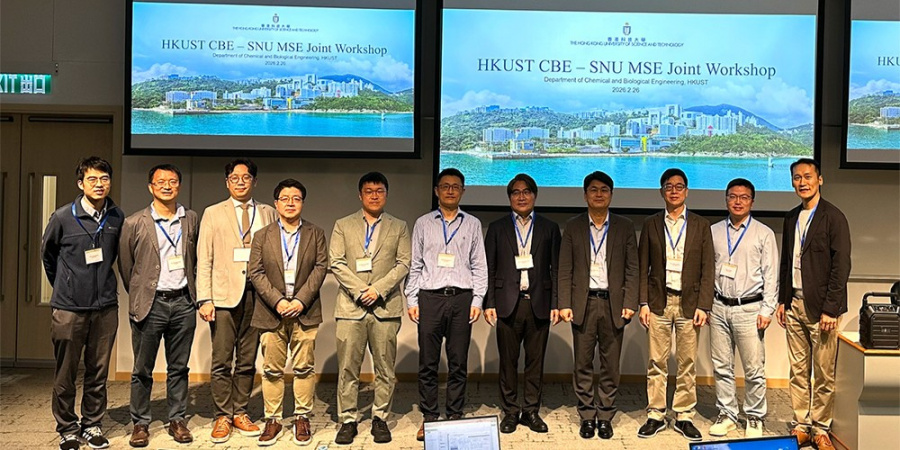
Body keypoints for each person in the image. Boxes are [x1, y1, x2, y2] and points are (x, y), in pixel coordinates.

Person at [41, 156, 124, 450]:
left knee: (98, 371)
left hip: (105, 309)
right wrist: (66, 286)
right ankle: (67, 428)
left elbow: (115, 257)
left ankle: (92, 424)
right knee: (66, 371)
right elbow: (48, 257)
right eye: (92, 179)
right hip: (69, 309)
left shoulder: (116, 216)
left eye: (104, 179)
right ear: (81, 183)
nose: (99, 184)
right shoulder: (63, 217)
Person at [197, 158, 277, 443]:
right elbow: (204, 259)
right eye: (234, 177)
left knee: (247, 359)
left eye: (246, 177)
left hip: (259, 295)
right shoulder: (213, 213)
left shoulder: (268, 212)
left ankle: (240, 411)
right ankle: (222, 415)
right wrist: (204, 298)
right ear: (226, 182)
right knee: (221, 360)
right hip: (222, 296)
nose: (240, 181)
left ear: (254, 181)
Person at [119, 164, 199, 447]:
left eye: (173, 181)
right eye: (160, 181)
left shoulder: (191, 218)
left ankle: (177, 419)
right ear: (150, 186)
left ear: (179, 185)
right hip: (150, 304)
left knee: (179, 367)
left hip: (183, 303)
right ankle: (140, 423)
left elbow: (195, 260)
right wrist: (142, 294)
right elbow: (126, 267)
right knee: (143, 369)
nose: (167, 185)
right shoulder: (134, 222)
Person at [406, 168, 488, 441]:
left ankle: (454, 416)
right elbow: (415, 264)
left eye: (456, 186)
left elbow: (479, 266)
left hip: (462, 299)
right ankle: (429, 417)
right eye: (445, 186)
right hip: (429, 298)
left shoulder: (473, 224)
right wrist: (411, 298)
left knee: (458, 362)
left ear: (463, 191)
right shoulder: (423, 223)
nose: (450, 190)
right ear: (437, 191)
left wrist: (477, 299)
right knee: (428, 363)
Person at [330, 172, 411, 445]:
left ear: (386, 194)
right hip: (350, 308)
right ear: (360, 195)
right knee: (347, 369)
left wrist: (378, 289)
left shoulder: (399, 226)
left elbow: (403, 264)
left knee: (385, 368)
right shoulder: (342, 224)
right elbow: (336, 262)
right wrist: (360, 291)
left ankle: (380, 418)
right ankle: (348, 419)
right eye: (369, 190)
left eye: (379, 190)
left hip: (385, 307)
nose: (374, 195)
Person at [775, 158, 850, 450]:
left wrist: (831, 308)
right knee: (797, 370)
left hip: (823, 309)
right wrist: (782, 300)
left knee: (823, 372)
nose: (802, 182)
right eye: (796, 178)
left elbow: (841, 266)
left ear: (820, 179)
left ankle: (820, 428)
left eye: (807, 176)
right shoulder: (791, 216)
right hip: (793, 303)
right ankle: (801, 424)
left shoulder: (834, 217)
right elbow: (786, 262)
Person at [558, 171, 638, 440]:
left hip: (614, 304)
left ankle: (605, 415)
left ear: (611, 195)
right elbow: (565, 268)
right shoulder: (573, 226)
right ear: (585, 195)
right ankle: (586, 415)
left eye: (604, 189)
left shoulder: (625, 227)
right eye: (594, 190)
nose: (599, 194)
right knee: (582, 363)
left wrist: (630, 302)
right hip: (583, 303)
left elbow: (632, 269)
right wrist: (564, 303)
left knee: (610, 365)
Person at [637, 168, 714, 442]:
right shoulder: (650, 225)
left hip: (689, 303)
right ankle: (656, 414)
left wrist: (704, 306)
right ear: (661, 192)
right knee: (656, 361)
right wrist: (643, 302)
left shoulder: (701, 225)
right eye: (668, 186)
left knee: (687, 362)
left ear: (687, 191)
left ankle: (683, 415)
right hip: (658, 301)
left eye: (679, 186)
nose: (674, 191)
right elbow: (642, 266)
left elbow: (708, 269)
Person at [249, 178, 327, 447]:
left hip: (305, 311)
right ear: (276, 203)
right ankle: (272, 419)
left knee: (304, 367)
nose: (290, 203)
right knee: (271, 369)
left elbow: (320, 268)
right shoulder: (263, 235)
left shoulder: (316, 233)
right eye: (285, 198)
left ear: (302, 203)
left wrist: (301, 300)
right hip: (272, 312)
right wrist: (278, 301)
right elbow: (255, 272)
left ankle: (301, 417)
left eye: (296, 198)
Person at [483, 174, 561, 434]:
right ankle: (510, 411)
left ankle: (530, 411)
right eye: (516, 192)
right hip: (507, 303)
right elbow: (489, 268)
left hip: (538, 302)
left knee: (535, 362)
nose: (521, 196)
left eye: (526, 191)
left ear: (534, 195)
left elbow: (557, 269)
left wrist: (556, 303)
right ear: (509, 197)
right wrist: (488, 302)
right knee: (508, 361)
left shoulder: (550, 228)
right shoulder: (497, 227)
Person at [708, 178, 778, 439]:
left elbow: (771, 275)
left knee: (753, 367)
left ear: (752, 201)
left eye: (744, 197)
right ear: (726, 199)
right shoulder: (713, 231)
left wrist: (767, 310)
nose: (738, 201)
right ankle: (726, 413)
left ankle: (754, 416)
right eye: (733, 196)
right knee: (721, 365)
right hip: (718, 306)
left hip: (750, 308)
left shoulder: (764, 233)